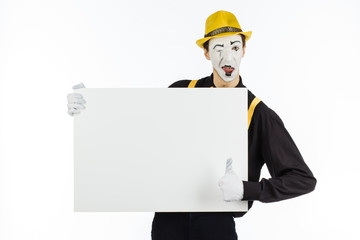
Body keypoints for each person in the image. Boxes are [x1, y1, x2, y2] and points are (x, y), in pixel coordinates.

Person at [67, 10, 316, 240]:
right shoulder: (181, 92)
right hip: (167, 223)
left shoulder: (257, 113)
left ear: (244, 50)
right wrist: (91, 109)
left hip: (216, 226)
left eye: (234, 47)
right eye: (218, 48)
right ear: (206, 53)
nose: (227, 56)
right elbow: (136, 132)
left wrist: (247, 189)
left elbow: (302, 179)